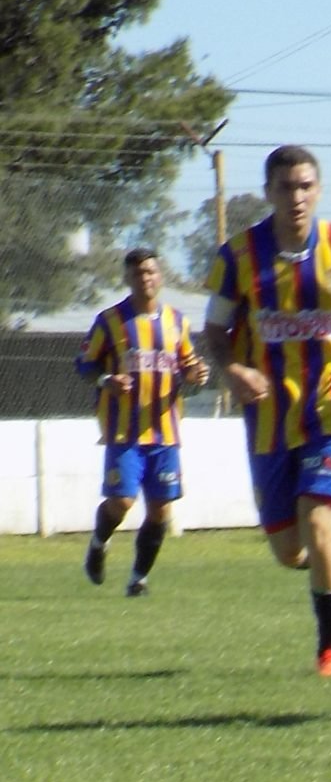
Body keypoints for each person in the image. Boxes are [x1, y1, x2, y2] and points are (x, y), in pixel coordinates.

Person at [201, 147, 331, 676]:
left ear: (319, 188)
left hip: (330, 410)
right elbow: (215, 332)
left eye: (306, 185)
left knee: (317, 520)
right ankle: (329, 553)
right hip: (267, 418)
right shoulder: (237, 257)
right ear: (268, 192)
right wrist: (233, 369)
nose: (297, 197)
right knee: (291, 551)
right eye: (286, 187)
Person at [74, 248, 209, 594]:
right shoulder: (110, 321)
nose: (145, 278)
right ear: (128, 279)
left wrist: (196, 374)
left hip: (165, 432)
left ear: (160, 276)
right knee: (121, 502)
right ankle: (98, 544)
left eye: (150, 271)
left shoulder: (178, 322)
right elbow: (85, 364)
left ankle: (138, 579)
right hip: (124, 432)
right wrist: (107, 381)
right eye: (137, 273)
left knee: (160, 511)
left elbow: (188, 366)